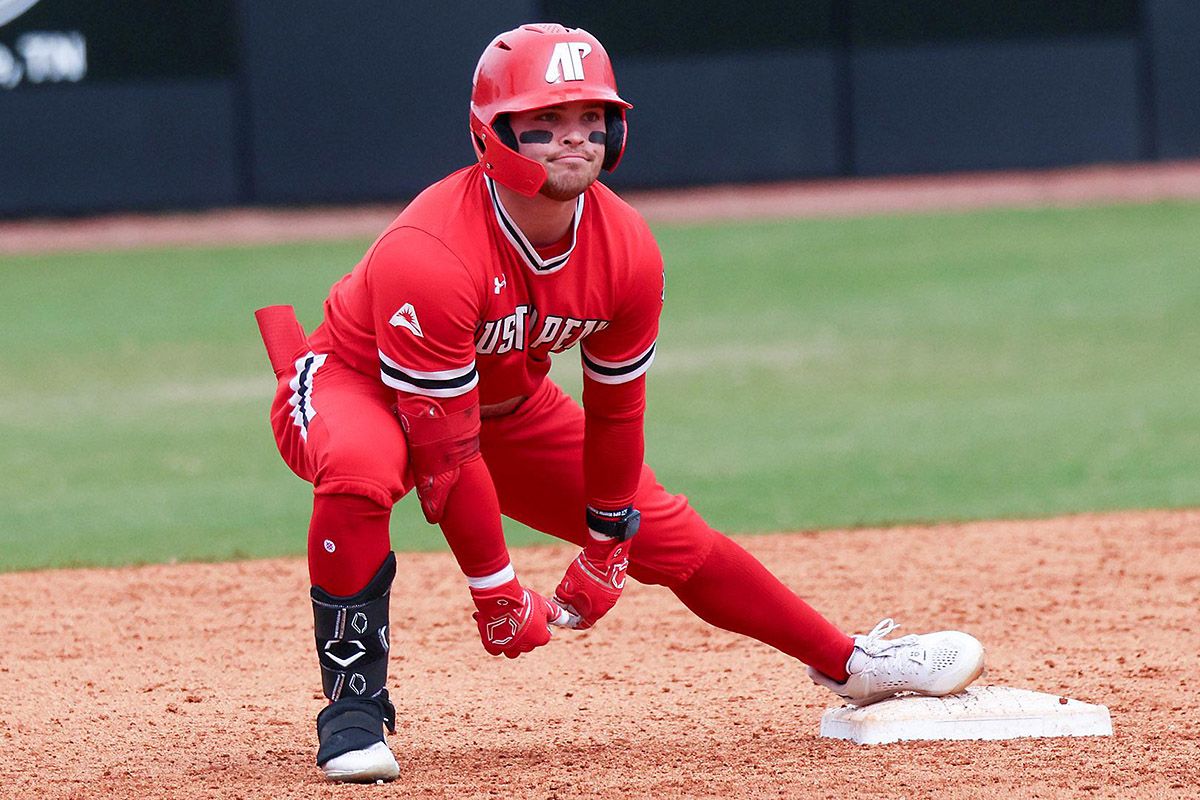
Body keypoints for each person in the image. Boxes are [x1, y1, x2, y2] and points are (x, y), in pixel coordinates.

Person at [254, 23, 986, 784]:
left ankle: (851, 664)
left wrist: (609, 539)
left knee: (668, 534)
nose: (574, 139)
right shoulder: (431, 253)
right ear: (491, 134)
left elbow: (615, 411)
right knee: (360, 467)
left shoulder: (626, 247)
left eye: (588, 119)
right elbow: (444, 456)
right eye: (544, 123)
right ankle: (353, 713)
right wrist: (495, 586)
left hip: (505, 408)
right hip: (355, 383)